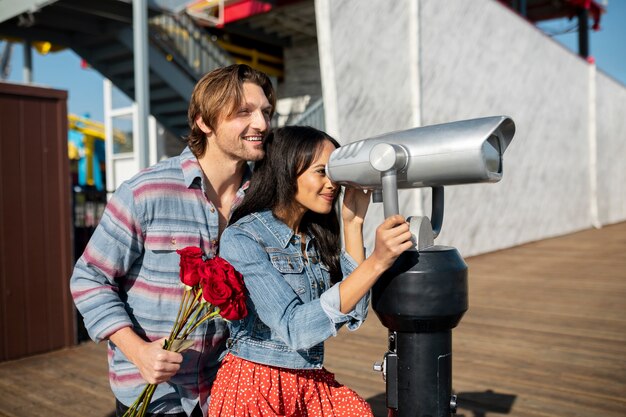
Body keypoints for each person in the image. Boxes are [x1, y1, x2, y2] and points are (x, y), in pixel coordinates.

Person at [69, 64, 275, 417]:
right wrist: (138, 351)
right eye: (244, 112)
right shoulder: (145, 191)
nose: (262, 124)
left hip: (228, 391)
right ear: (204, 122)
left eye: (265, 112)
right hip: (152, 396)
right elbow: (89, 279)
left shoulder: (266, 201)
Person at [208, 126, 413, 416]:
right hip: (256, 387)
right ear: (287, 170)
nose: (332, 184)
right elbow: (295, 329)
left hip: (307, 380)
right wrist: (376, 261)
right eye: (322, 171)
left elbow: (355, 313)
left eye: (335, 174)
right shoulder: (243, 238)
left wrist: (353, 224)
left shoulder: (314, 238)